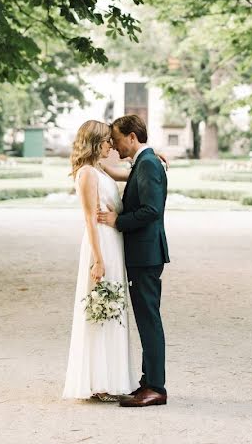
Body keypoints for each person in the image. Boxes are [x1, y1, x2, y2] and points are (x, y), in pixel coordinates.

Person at [62, 120, 138, 401]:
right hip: (101, 245)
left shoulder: (99, 167)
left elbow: (126, 175)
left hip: (113, 243)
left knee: (113, 309)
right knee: (100, 310)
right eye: (107, 140)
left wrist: (150, 155)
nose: (111, 145)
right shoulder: (86, 175)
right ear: (95, 143)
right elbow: (90, 220)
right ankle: (98, 382)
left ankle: (112, 378)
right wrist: (98, 260)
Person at [98, 114, 170, 408]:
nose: (114, 146)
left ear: (131, 136)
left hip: (146, 254)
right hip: (144, 253)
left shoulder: (149, 163)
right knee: (146, 318)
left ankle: (155, 387)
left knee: (149, 320)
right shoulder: (146, 162)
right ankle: (148, 382)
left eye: (116, 139)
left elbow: (152, 210)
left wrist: (118, 221)